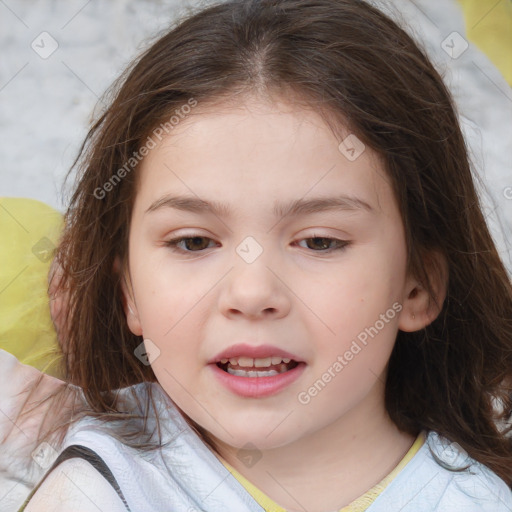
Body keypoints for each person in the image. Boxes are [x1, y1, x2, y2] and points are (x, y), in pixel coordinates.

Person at [17, 0, 512, 510]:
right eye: (194, 242)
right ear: (129, 294)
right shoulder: (94, 493)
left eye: (320, 241)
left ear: (418, 285)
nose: (251, 294)